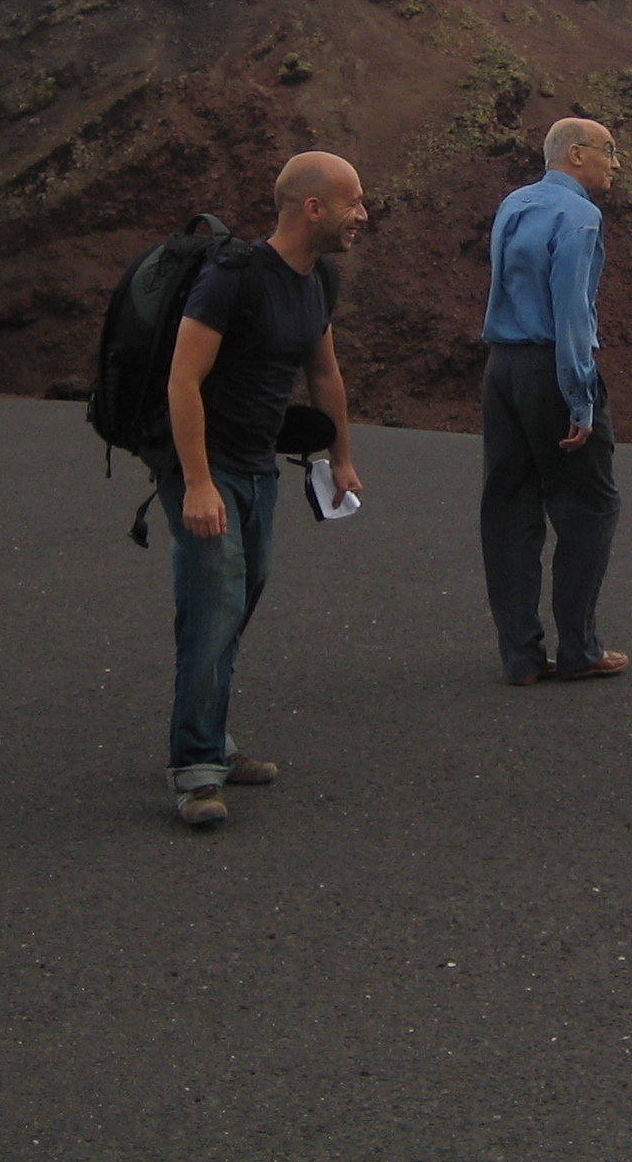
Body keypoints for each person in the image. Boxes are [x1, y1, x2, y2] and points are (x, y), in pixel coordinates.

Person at [161, 151, 366, 828]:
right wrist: (196, 484)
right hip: (205, 462)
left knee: (240, 599)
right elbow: (183, 380)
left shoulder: (318, 279)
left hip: (258, 462)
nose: (361, 216)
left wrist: (341, 456)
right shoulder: (233, 276)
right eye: (352, 203)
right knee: (213, 604)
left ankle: (213, 739)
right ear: (313, 208)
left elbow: (325, 373)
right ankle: (194, 770)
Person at [479, 116, 628, 686]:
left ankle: (519, 656)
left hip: (502, 369)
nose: (616, 164)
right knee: (590, 506)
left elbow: (503, 285)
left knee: (509, 509)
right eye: (609, 151)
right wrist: (580, 399)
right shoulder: (580, 216)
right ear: (575, 154)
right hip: (551, 368)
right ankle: (580, 649)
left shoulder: (514, 203)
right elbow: (570, 314)